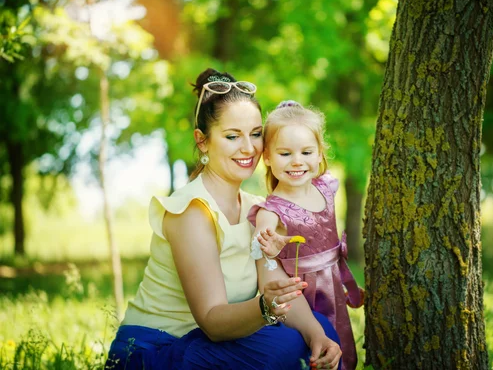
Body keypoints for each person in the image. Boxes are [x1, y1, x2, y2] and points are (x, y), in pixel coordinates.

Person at [106, 70, 342, 370]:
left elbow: (276, 284)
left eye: (256, 134)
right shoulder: (191, 210)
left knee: (319, 329)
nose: (249, 148)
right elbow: (213, 322)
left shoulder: (257, 209)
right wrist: (264, 308)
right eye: (232, 136)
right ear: (202, 141)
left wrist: (316, 335)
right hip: (155, 350)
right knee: (283, 347)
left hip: (206, 344)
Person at [247, 101, 364, 370]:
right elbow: (261, 244)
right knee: (315, 356)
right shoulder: (271, 211)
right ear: (267, 157)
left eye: (307, 151)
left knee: (343, 349)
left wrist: (349, 286)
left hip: (332, 285)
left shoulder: (326, 187)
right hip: (305, 297)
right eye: (285, 153)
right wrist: (274, 244)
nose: (297, 161)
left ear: (320, 153)